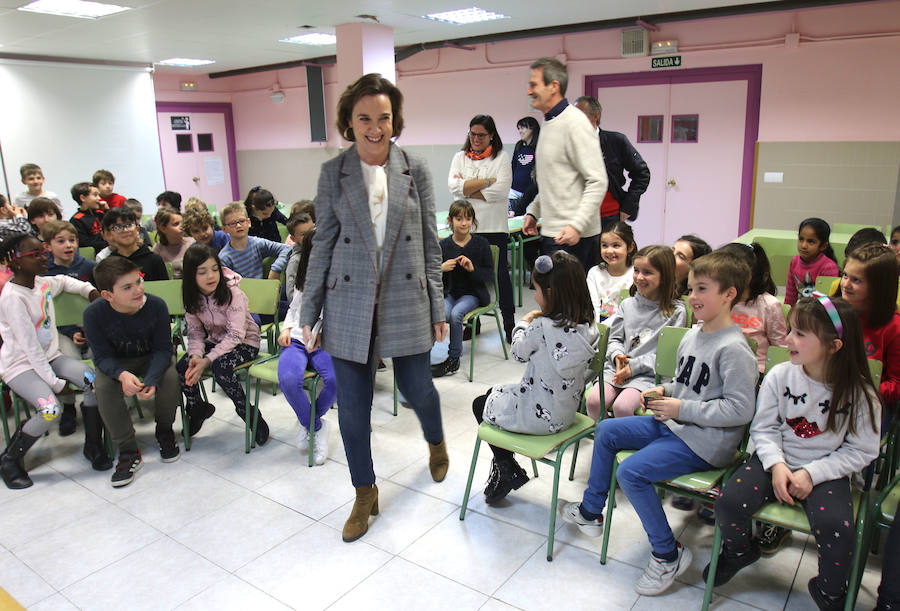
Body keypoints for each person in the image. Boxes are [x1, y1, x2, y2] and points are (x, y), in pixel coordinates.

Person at [298, 73, 449, 543]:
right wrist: (309, 314)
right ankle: (364, 492)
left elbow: (429, 243)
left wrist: (438, 306)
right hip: (349, 303)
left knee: (418, 388)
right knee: (353, 411)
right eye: (364, 118)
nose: (375, 127)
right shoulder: (332, 174)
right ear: (349, 120)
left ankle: (436, 438)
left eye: (383, 117)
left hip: (407, 299)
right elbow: (321, 245)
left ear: (394, 119)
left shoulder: (415, 170)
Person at [559, 250, 757, 596]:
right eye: (691, 288)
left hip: (705, 443)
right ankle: (591, 511)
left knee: (631, 472)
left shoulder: (735, 349)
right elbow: (687, 383)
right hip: (678, 425)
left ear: (729, 294)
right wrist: (665, 389)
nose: (693, 297)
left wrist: (681, 407)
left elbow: (740, 411)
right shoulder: (694, 336)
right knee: (605, 430)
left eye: (702, 289)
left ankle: (667, 554)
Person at [705, 296, 880, 611]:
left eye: (800, 334)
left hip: (827, 471)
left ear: (834, 346)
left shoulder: (860, 394)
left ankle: (829, 593)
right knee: (729, 503)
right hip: (776, 460)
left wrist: (813, 474)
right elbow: (764, 428)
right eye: (791, 330)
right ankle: (739, 552)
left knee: (838, 529)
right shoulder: (780, 375)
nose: (787, 340)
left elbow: (862, 449)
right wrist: (778, 466)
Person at [473, 251, 597, 504]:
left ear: (550, 293)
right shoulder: (589, 325)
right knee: (495, 394)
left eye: (536, 288)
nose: (534, 293)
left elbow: (517, 353)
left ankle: (507, 468)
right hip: (566, 414)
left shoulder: (541, 327)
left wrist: (523, 323)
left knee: (479, 403)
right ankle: (507, 469)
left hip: (537, 416)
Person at [0, 233, 108, 489]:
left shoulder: (42, 283)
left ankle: (93, 445)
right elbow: (29, 347)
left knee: (94, 381)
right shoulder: (12, 298)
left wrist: (91, 291)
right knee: (50, 409)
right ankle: (9, 459)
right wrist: (56, 385)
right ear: (14, 262)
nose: (43, 257)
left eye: (42, 251)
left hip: (50, 357)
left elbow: (65, 282)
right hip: (20, 365)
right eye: (34, 254)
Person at [84, 256, 182, 488]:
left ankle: (165, 430)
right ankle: (128, 450)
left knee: (169, 377)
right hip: (117, 363)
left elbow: (162, 349)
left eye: (138, 282)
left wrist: (151, 379)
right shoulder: (93, 314)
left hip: (151, 358)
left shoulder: (156, 305)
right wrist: (120, 374)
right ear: (108, 295)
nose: (138, 290)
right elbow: (101, 357)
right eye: (127, 287)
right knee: (103, 385)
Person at [521, 57, 608, 271]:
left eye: (534, 85)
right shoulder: (550, 122)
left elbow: (597, 181)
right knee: (556, 303)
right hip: (554, 233)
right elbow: (555, 181)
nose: (529, 91)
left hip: (575, 239)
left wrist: (576, 225)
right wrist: (534, 211)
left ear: (554, 86)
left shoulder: (575, 123)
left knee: (574, 304)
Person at [177, 243, 268, 445]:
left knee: (221, 369)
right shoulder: (191, 297)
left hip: (245, 342)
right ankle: (197, 407)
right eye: (202, 272)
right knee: (183, 367)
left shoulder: (232, 293)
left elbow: (236, 334)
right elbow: (195, 332)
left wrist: (207, 360)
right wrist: (195, 357)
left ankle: (249, 413)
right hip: (215, 341)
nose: (211, 276)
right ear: (191, 275)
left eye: (214, 269)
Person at [586, 245, 685, 420]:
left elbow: (668, 358)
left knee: (622, 407)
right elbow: (614, 338)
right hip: (617, 370)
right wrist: (617, 357)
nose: (639, 277)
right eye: (637, 270)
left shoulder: (676, 312)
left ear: (665, 276)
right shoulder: (628, 305)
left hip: (649, 375)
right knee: (594, 402)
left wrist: (634, 367)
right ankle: (607, 440)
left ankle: (620, 439)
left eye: (647, 272)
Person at [448, 114, 516, 342]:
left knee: (500, 277)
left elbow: (502, 191)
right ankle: (471, 325)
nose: (476, 139)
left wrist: (466, 188)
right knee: (468, 277)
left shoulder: (501, 158)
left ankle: (509, 326)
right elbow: (453, 188)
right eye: (473, 134)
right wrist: (488, 182)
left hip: (494, 228)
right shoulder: (460, 157)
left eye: (481, 135)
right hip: (467, 231)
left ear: (491, 136)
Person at [278, 228, 337, 465]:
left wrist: (321, 333)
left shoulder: (339, 278)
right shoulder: (306, 276)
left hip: (325, 342)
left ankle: (309, 422)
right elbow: (294, 308)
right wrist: (284, 328)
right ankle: (316, 426)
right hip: (297, 339)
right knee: (289, 380)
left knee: (336, 379)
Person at [42, 220, 96, 433]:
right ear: (47, 246)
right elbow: (45, 313)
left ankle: (95, 405)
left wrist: (87, 329)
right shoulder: (44, 273)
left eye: (72, 240)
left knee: (98, 362)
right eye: (61, 241)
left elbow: (100, 301)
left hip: (91, 329)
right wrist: (70, 332)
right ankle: (68, 407)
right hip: (61, 332)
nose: (68, 245)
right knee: (67, 361)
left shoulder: (89, 267)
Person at [432, 200, 493, 377]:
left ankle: (453, 359)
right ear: (450, 221)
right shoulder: (443, 246)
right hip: (450, 293)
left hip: (472, 294)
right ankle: (423, 356)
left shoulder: (481, 244)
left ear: (473, 221)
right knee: (439, 311)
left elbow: (489, 276)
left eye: (468, 218)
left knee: (456, 314)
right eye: (459, 219)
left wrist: (473, 269)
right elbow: (432, 273)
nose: (464, 223)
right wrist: (441, 268)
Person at [839, 243, 900, 409]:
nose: (845, 284)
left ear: (878, 287)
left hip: (871, 407)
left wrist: (858, 389)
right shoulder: (834, 312)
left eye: (856, 280)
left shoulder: (894, 328)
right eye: (845, 275)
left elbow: (896, 385)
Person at [574, 95, 651, 225]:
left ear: (595, 116)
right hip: (577, 219)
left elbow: (642, 174)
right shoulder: (569, 144)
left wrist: (628, 206)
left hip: (609, 217)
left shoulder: (615, 141)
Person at [719, 242, 787, 378]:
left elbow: (779, 349)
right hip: (720, 368)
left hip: (756, 373)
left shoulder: (769, 305)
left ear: (748, 275)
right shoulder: (717, 299)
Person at [217, 203, 290, 282]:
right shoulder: (224, 258)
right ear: (224, 229)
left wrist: (276, 269)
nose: (238, 226)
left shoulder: (257, 243)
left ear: (248, 222)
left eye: (242, 221)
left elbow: (287, 248)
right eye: (232, 223)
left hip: (261, 289)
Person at [586, 221, 637, 322]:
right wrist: (597, 330)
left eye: (616, 245)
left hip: (624, 324)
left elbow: (630, 311)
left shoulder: (635, 274)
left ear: (630, 247)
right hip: (599, 325)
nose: (609, 251)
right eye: (605, 245)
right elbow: (593, 305)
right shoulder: (594, 273)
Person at [99, 207, 168, 281]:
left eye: (129, 225)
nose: (125, 230)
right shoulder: (109, 265)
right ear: (110, 234)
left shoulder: (154, 260)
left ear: (137, 229)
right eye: (117, 227)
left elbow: (163, 288)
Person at [785, 217, 839, 306]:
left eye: (811, 242)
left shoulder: (829, 267)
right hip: (799, 312)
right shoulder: (794, 261)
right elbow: (790, 296)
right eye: (801, 239)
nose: (804, 245)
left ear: (823, 246)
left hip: (819, 314)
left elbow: (826, 304)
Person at [151, 208, 195, 278]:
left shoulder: (192, 243)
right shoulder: (157, 250)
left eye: (182, 223)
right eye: (176, 224)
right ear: (163, 229)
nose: (182, 226)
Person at [509, 116, 539, 217]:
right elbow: (513, 167)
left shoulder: (539, 147)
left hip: (531, 194)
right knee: (511, 216)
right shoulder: (519, 146)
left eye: (522, 128)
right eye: (519, 129)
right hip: (514, 191)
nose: (520, 131)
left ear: (532, 128)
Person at [69, 182, 106, 255]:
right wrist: (108, 244)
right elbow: (85, 243)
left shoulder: (101, 213)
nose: (99, 198)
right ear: (83, 198)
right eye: (95, 195)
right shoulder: (76, 220)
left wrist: (107, 210)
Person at [285, 213, 315, 299]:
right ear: (294, 239)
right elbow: (291, 295)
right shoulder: (296, 261)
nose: (311, 236)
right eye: (304, 234)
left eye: (312, 230)